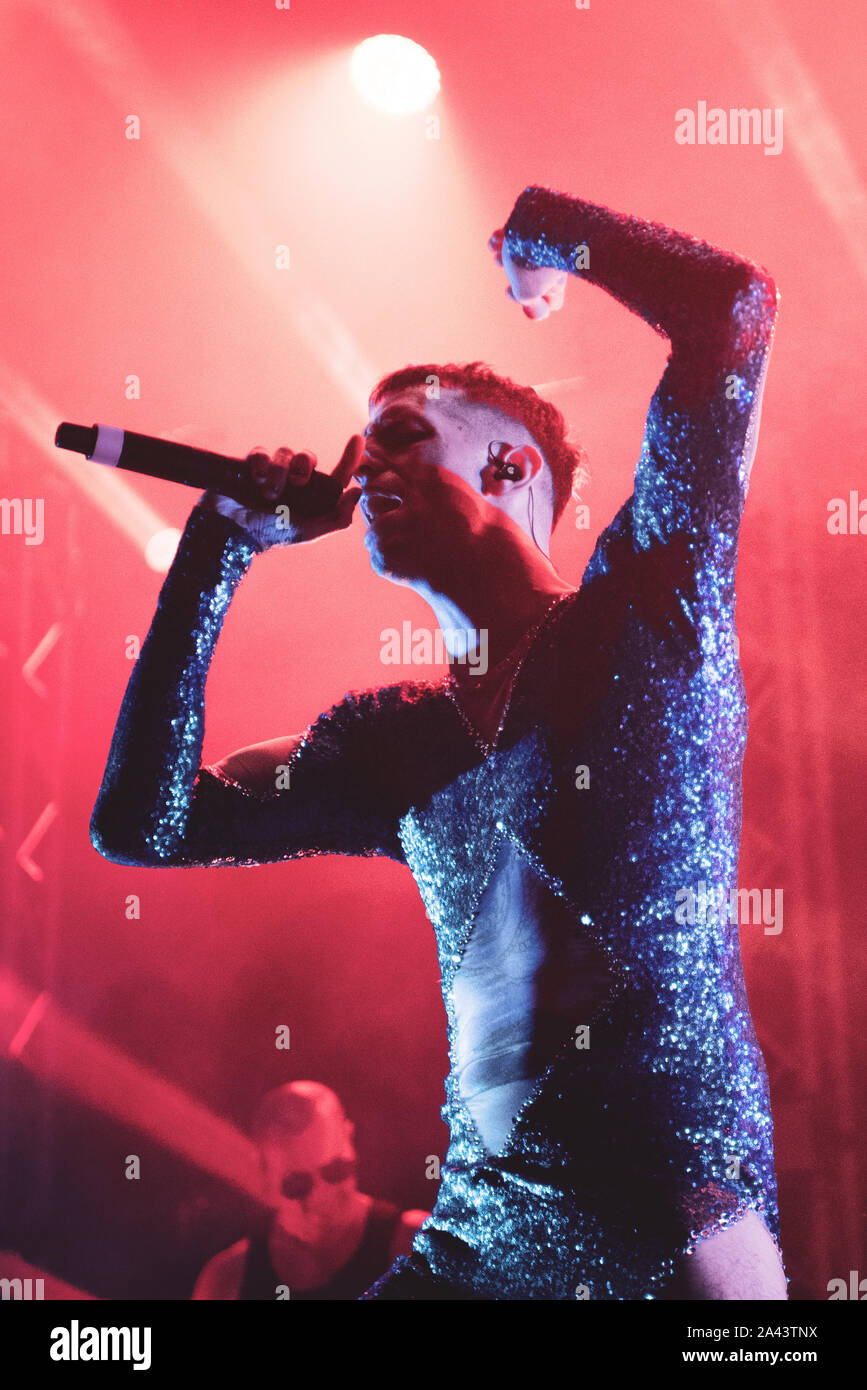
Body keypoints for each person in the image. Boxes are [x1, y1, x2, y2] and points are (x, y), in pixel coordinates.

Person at [91, 182, 785, 1299]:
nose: (361, 475)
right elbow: (143, 827)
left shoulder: (650, 606)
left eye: (402, 440)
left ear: (511, 468)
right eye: (360, 451)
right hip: (476, 1248)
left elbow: (733, 308)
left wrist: (540, 234)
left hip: (678, 1236)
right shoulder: (389, 744)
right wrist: (216, 549)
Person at [191, 1081, 426, 1300]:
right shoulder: (227, 1282)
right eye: (298, 1185)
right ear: (264, 1172)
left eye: (335, 1170)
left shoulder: (417, 1246)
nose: (322, 1196)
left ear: (349, 1138)